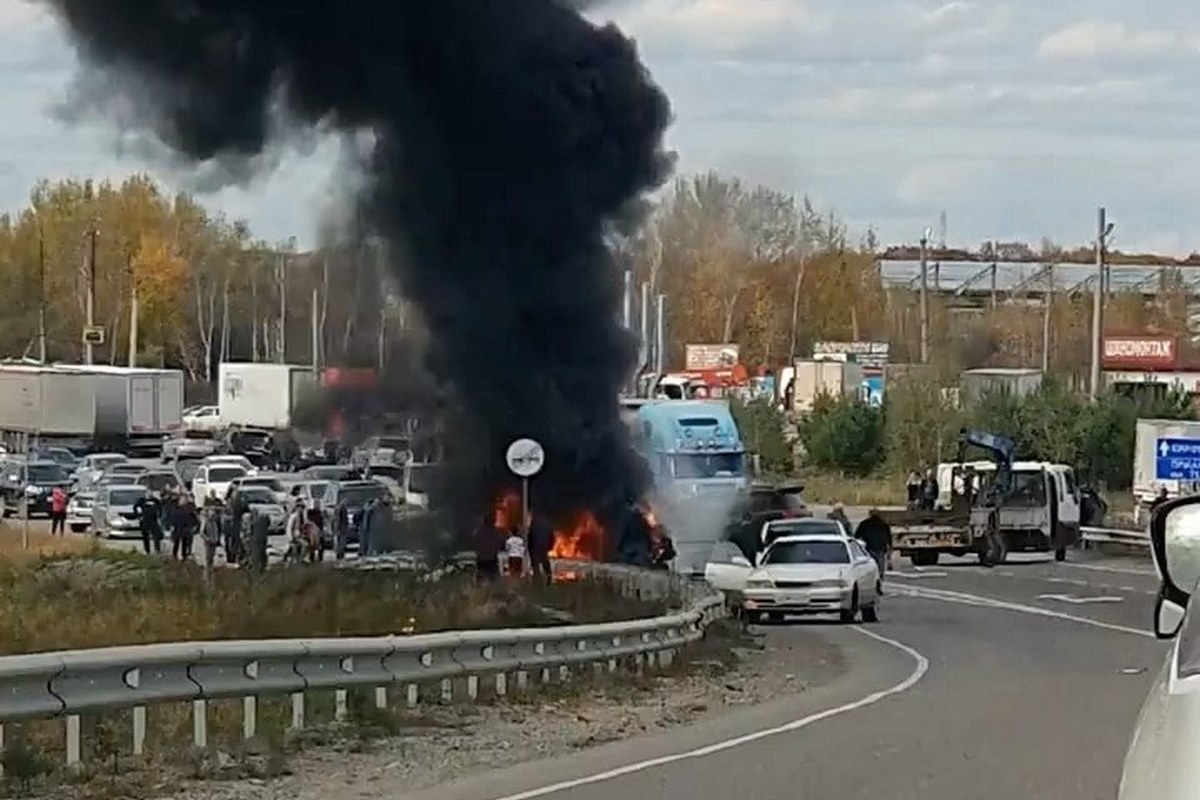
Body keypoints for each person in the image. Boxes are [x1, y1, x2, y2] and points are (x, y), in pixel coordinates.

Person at [854, 509, 893, 591]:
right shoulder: (884, 524)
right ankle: (878, 585)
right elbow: (889, 539)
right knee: (879, 570)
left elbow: (856, 537)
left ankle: (873, 586)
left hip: (869, 550)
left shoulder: (865, 524)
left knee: (871, 570)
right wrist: (889, 552)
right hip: (880, 550)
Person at [473, 512, 503, 582]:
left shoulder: (478, 532)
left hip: (482, 559)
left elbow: (476, 545)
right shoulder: (496, 533)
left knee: (480, 579)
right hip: (492, 559)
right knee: (493, 580)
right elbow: (499, 545)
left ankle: (480, 591)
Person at [527, 510, 554, 584]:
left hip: (535, 547)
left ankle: (537, 581)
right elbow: (551, 535)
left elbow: (530, 536)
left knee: (536, 565)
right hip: (544, 546)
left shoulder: (534, 523)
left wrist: (529, 547)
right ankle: (549, 577)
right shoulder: (546, 524)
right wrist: (550, 546)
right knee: (545, 561)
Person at [133, 490, 164, 555]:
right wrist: (139, 516)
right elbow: (135, 507)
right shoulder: (142, 501)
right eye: (147, 493)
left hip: (153, 520)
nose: (148, 494)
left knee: (157, 535)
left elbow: (160, 508)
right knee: (145, 535)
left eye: (149, 493)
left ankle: (157, 549)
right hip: (145, 520)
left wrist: (159, 516)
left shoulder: (155, 501)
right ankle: (147, 550)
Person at [171, 495, 199, 561]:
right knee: (176, 542)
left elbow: (194, 517)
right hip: (177, 527)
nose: (182, 501)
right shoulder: (176, 508)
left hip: (186, 527)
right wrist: (172, 526)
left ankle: (184, 555)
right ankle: (174, 555)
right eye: (181, 500)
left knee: (185, 542)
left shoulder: (189, 509)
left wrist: (195, 525)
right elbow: (172, 518)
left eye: (184, 500)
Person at [201, 504, 223, 570]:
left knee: (212, 555)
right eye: (211, 513)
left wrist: (217, 539)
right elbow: (201, 533)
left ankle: (210, 567)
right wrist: (206, 538)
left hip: (214, 541)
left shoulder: (215, 523)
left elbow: (218, 531)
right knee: (208, 556)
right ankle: (208, 568)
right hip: (208, 542)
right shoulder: (205, 522)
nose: (212, 515)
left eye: (213, 514)